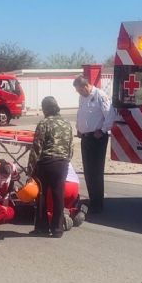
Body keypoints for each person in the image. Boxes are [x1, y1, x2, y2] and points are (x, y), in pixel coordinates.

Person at [27, 96, 73, 238]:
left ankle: (42, 227)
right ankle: (58, 229)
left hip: (46, 163)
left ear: (46, 109)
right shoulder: (67, 123)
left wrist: (30, 168)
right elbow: (70, 147)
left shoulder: (44, 123)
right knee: (58, 196)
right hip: (62, 164)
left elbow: (37, 147)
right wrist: (65, 161)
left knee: (41, 195)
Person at [73, 75, 113, 214]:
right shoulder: (82, 97)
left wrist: (102, 131)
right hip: (85, 137)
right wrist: (79, 127)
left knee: (96, 171)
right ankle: (92, 199)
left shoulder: (100, 95)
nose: (79, 93)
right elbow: (81, 114)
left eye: (79, 90)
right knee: (88, 171)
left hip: (97, 138)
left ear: (85, 86)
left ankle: (97, 204)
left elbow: (110, 116)